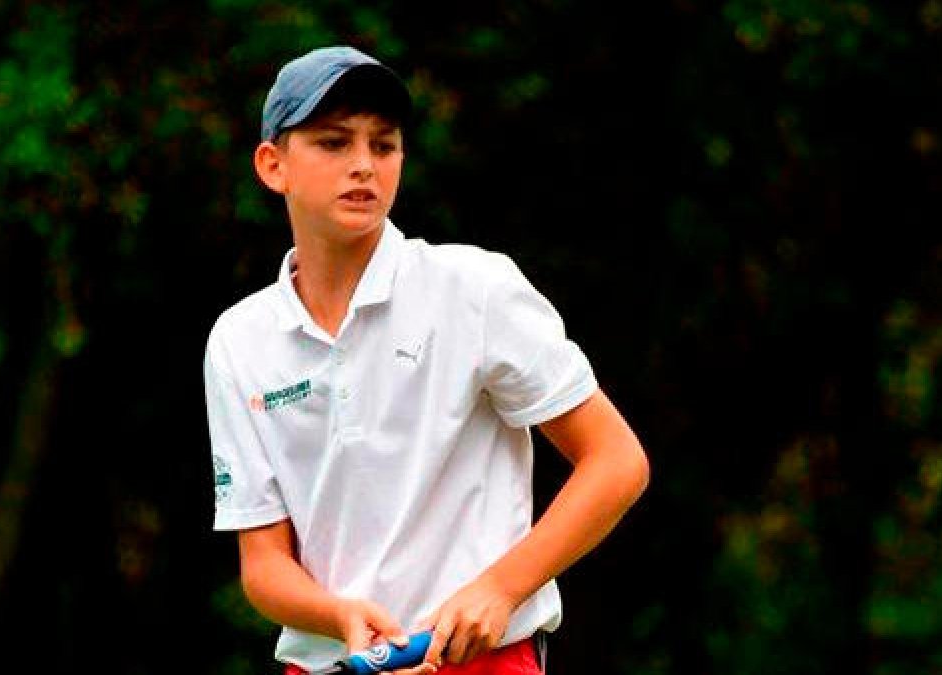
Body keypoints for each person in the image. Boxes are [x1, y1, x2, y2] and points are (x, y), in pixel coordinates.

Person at [203, 45, 650, 675]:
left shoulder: (475, 288)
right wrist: (340, 619)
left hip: (486, 663)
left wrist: (499, 588)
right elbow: (265, 565)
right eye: (334, 143)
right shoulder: (239, 340)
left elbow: (616, 461)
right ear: (273, 165)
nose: (364, 165)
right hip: (331, 664)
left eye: (383, 146)